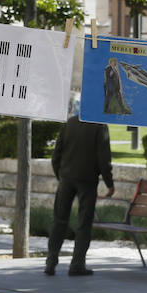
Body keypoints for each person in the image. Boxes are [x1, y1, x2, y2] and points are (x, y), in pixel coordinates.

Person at [45, 114, 114, 276]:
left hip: (66, 179)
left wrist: (61, 175)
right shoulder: (99, 126)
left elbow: (56, 154)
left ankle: (51, 261)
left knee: (59, 220)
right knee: (84, 223)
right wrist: (109, 183)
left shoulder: (70, 123)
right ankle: (77, 264)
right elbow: (104, 159)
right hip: (88, 181)